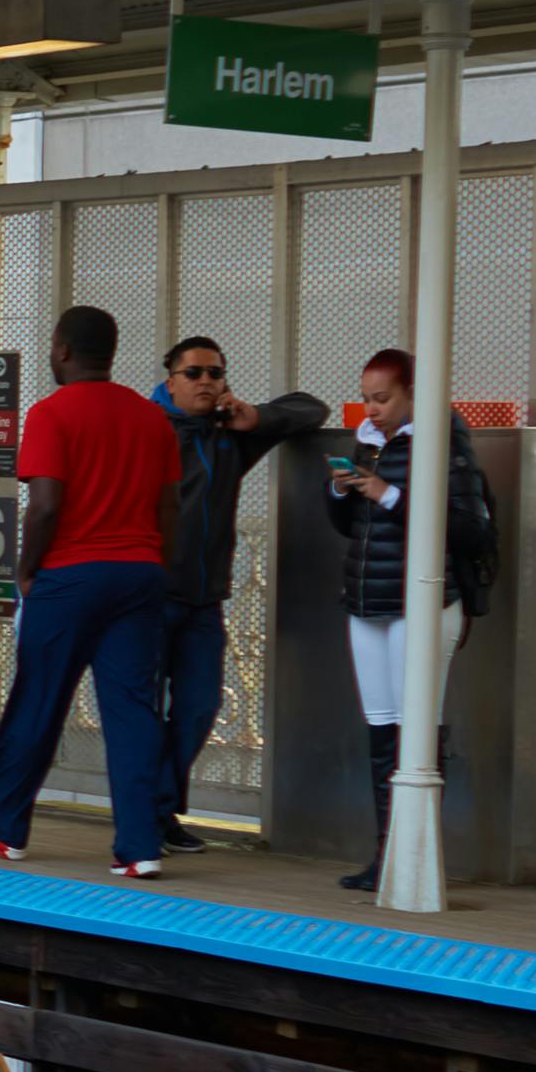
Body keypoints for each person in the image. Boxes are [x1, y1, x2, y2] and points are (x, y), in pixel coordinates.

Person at [0, 305, 183, 874]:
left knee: (39, 699)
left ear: (61, 350)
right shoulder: (152, 418)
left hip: (70, 576)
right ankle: (140, 848)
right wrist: (158, 565)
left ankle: (3, 822)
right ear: (110, 353)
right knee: (132, 711)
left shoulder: (50, 414)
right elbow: (170, 508)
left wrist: (26, 570)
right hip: (139, 574)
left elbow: (46, 504)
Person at [323, 348, 500, 894]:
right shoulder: (369, 444)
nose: (370, 410)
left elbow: (472, 532)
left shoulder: (446, 448)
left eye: (383, 399)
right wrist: (340, 489)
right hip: (366, 602)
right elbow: (349, 525)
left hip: (421, 603)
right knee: (381, 727)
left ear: (413, 395)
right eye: (366, 399)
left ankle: (416, 855)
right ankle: (385, 854)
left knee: (415, 731)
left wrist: (388, 493)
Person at [153, 337, 332, 852]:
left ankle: (159, 809)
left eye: (215, 373)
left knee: (199, 707)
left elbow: (310, 409)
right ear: (171, 382)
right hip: (152, 596)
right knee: (143, 711)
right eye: (194, 373)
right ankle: (150, 815)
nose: (206, 381)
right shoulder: (150, 429)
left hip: (204, 599)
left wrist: (256, 418)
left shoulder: (229, 434)